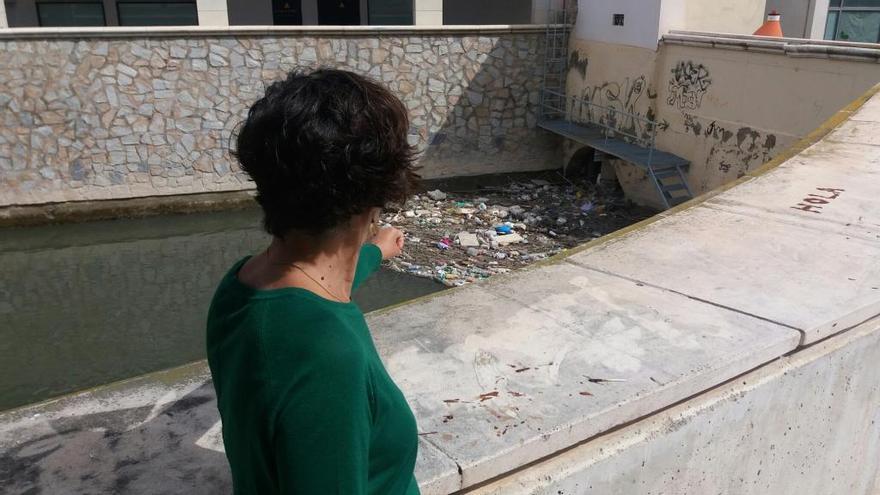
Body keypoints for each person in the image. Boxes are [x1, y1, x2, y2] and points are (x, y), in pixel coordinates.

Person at [206, 68, 421, 494]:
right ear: (379, 193)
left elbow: (321, 284)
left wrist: (375, 250)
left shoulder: (239, 288)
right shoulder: (327, 360)